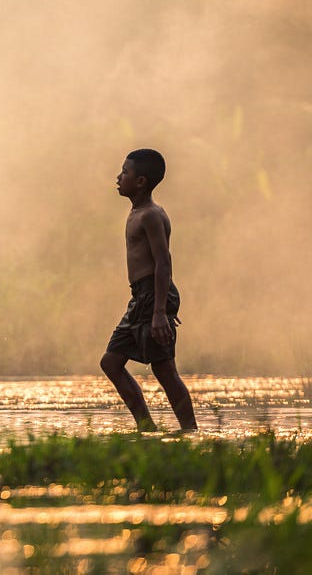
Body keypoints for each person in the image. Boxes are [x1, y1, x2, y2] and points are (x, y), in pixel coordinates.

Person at [100, 149, 197, 432]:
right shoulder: (137, 213)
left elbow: (163, 262)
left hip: (152, 295)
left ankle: (190, 432)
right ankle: (146, 427)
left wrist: (159, 312)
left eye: (125, 172)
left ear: (140, 181)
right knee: (111, 362)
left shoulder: (151, 215)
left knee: (164, 369)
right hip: (140, 297)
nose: (119, 178)